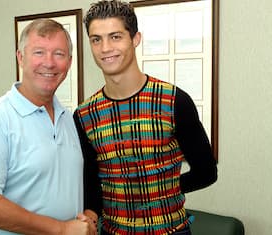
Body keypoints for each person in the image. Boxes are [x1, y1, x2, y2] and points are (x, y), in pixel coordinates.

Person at [73, 1, 218, 234]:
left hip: (171, 231)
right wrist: (90, 214)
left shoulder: (174, 101)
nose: (105, 48)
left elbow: (207, 172)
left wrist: (162, 190)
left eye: (115, 36)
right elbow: (91, 181)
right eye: (96, 39)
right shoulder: (84, 115)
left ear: (135, 39)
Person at [0, 18, 97, 235]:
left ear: (69, 62)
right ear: (20, 57)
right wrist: (61, 229)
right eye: (38, 52)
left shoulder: (68, 119)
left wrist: (87, 218)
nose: (49, 63)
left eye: (59, 54)